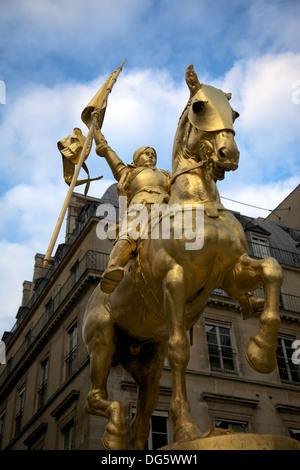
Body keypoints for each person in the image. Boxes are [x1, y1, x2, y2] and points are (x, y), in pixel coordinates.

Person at [91, 110, 170, 293]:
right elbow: (106, 149)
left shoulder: (166, 175)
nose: (151, 156)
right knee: (129, 233)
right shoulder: (128, 173)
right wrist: (94, 128)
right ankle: (114, 266)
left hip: (166, 207)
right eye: (146, 153)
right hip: (140, 207)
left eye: (153, 154)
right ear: (137, 158)